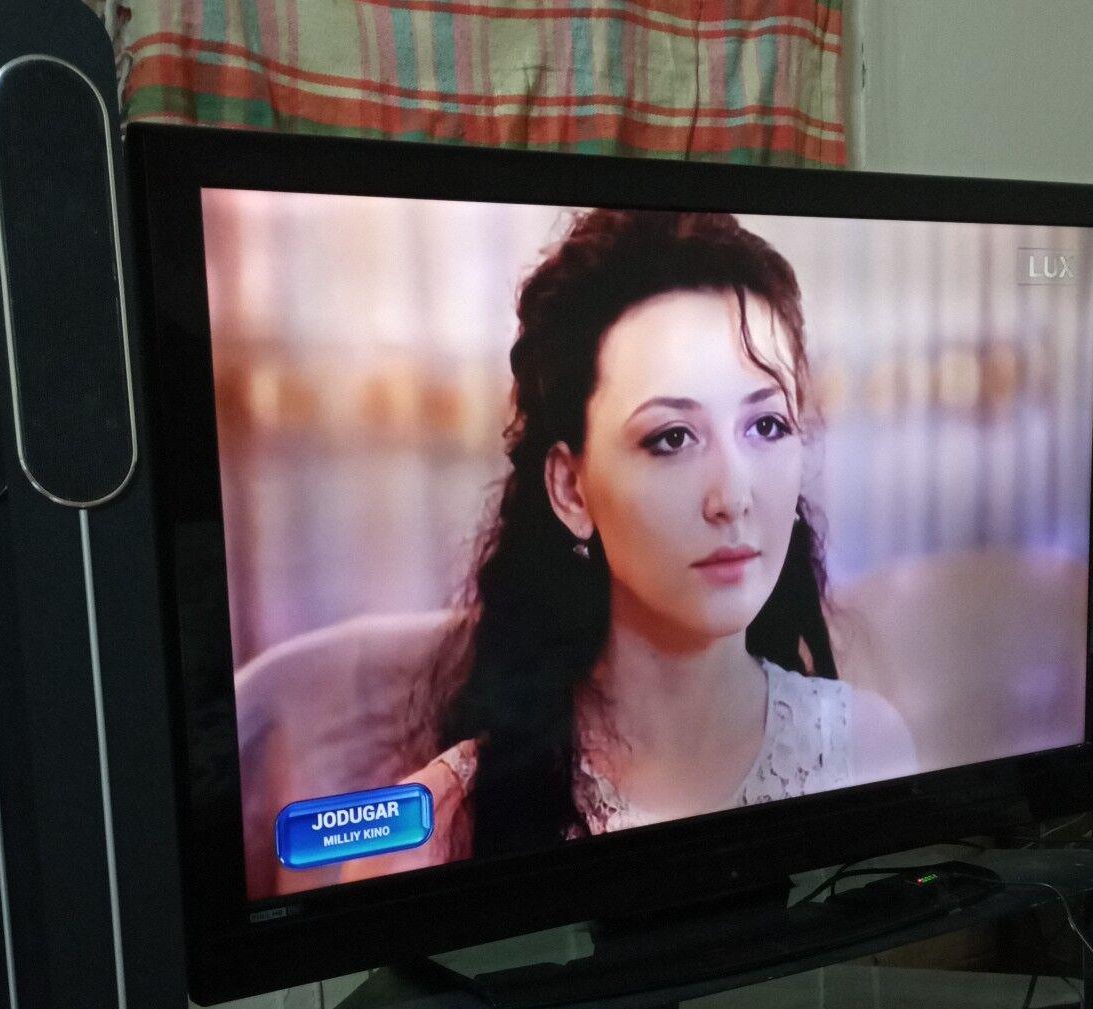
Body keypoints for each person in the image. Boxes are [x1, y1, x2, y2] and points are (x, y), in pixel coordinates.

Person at [343, 207, 916, 876]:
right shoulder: (435, 829)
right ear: (571, 490)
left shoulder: (865, 748)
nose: (733, 497)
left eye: (766, 427)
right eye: (671, 438)